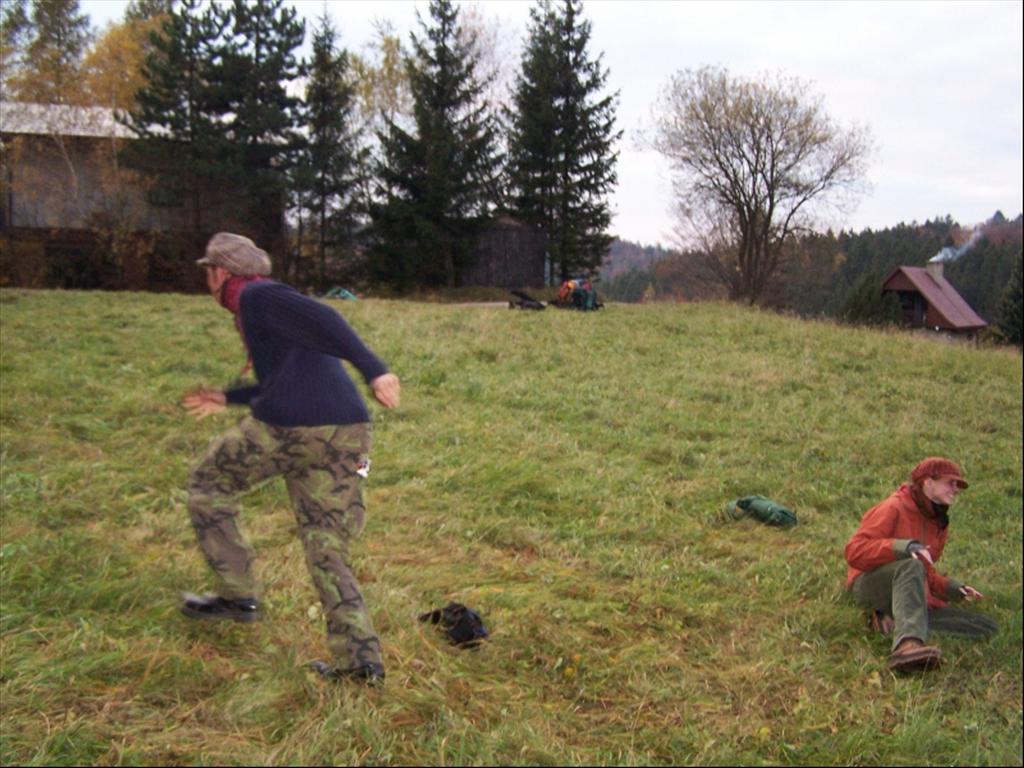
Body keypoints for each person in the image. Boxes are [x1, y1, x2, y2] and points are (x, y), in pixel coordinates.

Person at [181, 232, 400, 685]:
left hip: (292, 429)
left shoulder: (257, 295)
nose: (207, 281)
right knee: (326, 543)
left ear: (221, 272)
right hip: (348, 431)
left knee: (208, 483)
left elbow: (326, 315)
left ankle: (237, 596)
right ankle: (361, 663)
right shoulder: (263, 309)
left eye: (208, 272)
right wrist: (228, 397)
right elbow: (283, 380)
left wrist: (376, 369)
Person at [844, 457, 998, 672]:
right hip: (868, 585)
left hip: (907, 590)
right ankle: (907, 647)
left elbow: (924, 570)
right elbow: (854, 551)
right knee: (910, 566)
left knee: (986, 627)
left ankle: (895, 622)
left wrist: (952, 588)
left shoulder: (939, 521)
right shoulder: (894, 507)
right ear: (928, 482)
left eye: (958, 485)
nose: (956, 489)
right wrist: (901, 547)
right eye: (950, 482)